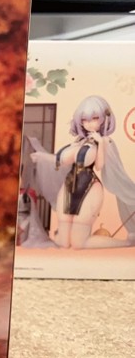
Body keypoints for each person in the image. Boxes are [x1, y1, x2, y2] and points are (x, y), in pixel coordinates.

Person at [29, 95, 135, 249]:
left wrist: (100, 143)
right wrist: (41, 156)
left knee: (79, 242)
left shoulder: (105, 141)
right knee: (63, 242)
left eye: (94, 118)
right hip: (68, 185)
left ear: (104, 119)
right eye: (84, 120)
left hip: (89, 187)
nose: (89, 123)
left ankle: (126, 243)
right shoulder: (79, 140)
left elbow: (99, 166)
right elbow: (62, 160)